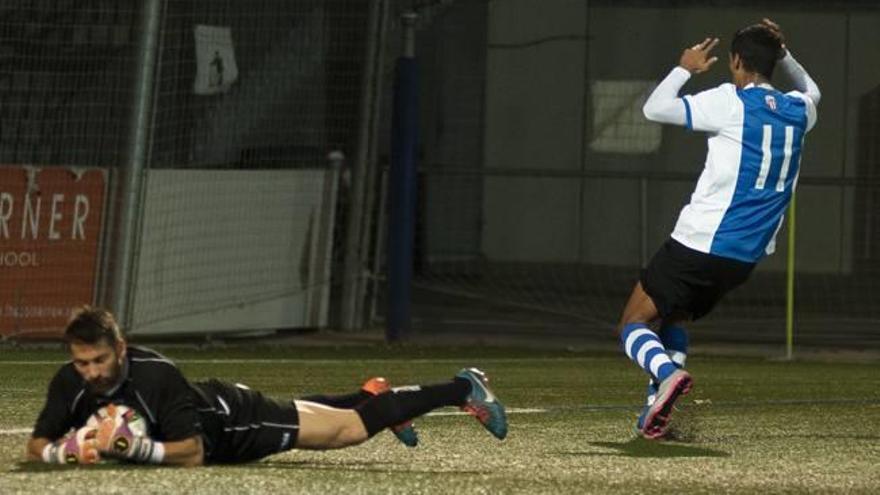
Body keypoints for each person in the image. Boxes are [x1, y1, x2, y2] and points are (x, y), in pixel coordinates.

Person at [618, 18, 820, 439]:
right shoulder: (800, 109)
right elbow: (811, 88)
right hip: (745, 257)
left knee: (632, 324)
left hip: (702, 240)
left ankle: (667, 374)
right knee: (675, 314)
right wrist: (784, 54)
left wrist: (685, 68)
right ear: (774, 61)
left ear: (736, 61)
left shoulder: (730, 101)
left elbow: (654, 108)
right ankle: (657, 412)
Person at [26, 306, 508, 465]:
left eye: (100, 360)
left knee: (348, 432)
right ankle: (374, 395)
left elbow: (191, 453)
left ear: (122, 348)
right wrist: (67, 449)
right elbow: (37, 445)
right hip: (213, 421)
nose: (91, 371)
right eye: (82, 362)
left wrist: (135, 448)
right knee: (316, 412)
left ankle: (463, 388)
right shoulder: (70, 381)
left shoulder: (156, 376)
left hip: (234, 423)